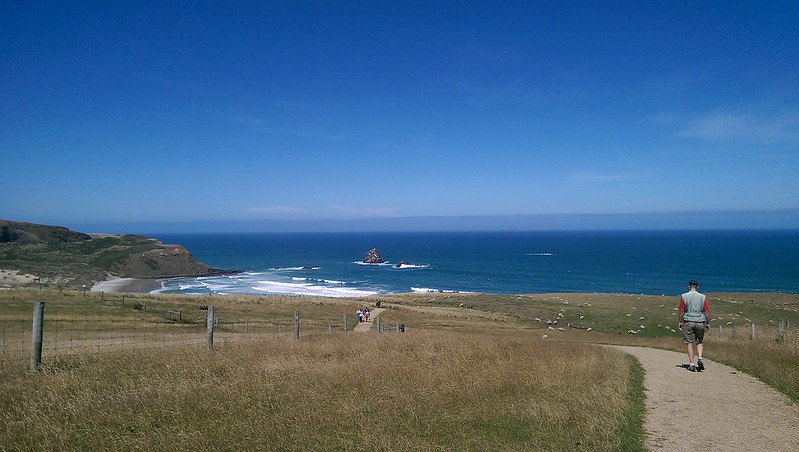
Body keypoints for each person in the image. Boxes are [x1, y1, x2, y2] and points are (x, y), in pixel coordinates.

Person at [678, 280, 710, 372]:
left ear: (689, 286)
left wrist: (680, 321)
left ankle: (691, 364)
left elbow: (681, 310)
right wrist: (707, 322)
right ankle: (700, 357)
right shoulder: (703, 297)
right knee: (699, 341)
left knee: (689, 342)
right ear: (697, 287)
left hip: (688, 321)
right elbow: (706, 311)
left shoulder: (684, 296)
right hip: (700, 321)